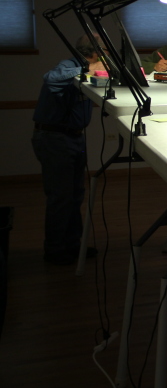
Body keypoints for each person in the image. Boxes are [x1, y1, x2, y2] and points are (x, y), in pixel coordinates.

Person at [32, 34, 105, 265]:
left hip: (73, 138)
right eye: (104, 50)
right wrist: (88, 68)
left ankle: (73, 245)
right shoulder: (70, 65)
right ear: (94, 52)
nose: (107, 54)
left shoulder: (91, 68)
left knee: (75, 195)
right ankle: (54, 250)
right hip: (55, 138)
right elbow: (50, 78)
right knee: (61, 197)